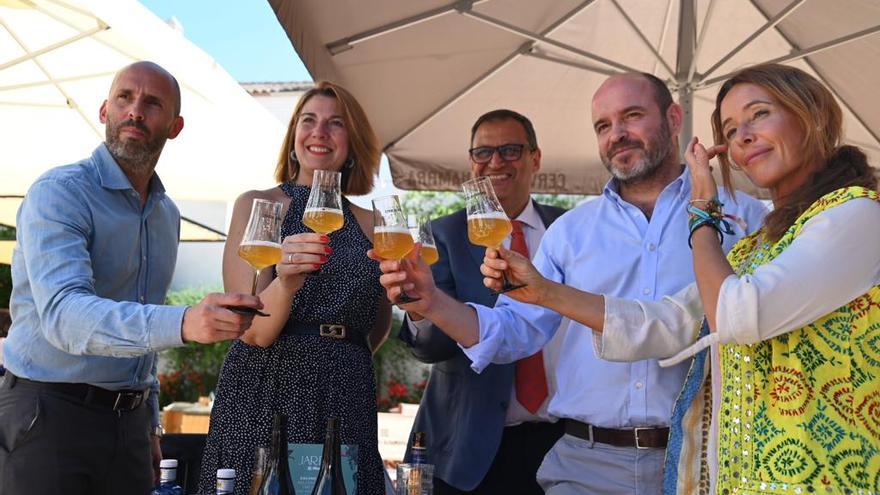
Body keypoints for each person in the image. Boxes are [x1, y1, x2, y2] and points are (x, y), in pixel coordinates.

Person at [485, 64, 880, 493]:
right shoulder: (761, 245)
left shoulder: (857, 215)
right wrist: (543, 291)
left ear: (813, 115)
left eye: (759, 114)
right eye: (729, 130)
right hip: (742, 475)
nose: (742, 137)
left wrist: (701, 212)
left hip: (825, 471)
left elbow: (737, 314)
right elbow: (669, 324)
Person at [371, 72, 768, 494]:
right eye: (603, 126)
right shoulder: (571, 231)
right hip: (586, 464)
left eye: (632, 116)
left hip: (708, 461)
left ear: (673, 118)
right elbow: (512, 331)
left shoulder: (745, 218)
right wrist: (431, 301)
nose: (617, 134)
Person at [0, 61, 262, 495]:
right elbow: (64, 315)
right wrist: (183, 322)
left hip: (130, 426)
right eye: (125, 98)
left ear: (175, 127)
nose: (136, 111)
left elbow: (143, 332)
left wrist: (150, 420)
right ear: (105, 111)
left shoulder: (166, 214)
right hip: (46, 415)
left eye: (152, 103)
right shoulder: (60, 192)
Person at [198, 81, 392, 495]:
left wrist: (338, 351)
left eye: (335, 123)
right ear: (293, 139)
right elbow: (251, 330)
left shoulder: (374, 223)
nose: (319, 132)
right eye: (309, 121)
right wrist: (285, 282)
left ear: (352, 143)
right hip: (267, 385)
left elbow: (377, 324)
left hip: (346, 389)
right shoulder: (258, 205)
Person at [399, 109, 566, 494]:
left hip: (564, 441)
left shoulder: (571, 228)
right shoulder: (443, 234)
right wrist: (418, 309)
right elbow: (431, 348)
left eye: (510, 150)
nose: (495, 162)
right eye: (483, 152)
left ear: (535, 158)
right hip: (466, 443)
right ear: (470, 161)